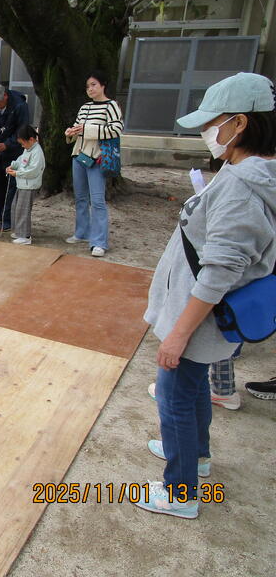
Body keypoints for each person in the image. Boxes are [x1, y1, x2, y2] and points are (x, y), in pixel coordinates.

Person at [134, 72, 276, 519]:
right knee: (193, 388)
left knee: (174, 396)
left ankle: (180, 493)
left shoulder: (243, 185)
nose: (207, 133)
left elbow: (219, 270)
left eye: (213, 123)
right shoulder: (247, 171)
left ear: (240, 123)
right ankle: (196, 456)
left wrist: (178, 334)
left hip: (200, 317)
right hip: (208, 317)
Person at [64, 70, 124, 258]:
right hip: (79, 156)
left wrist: (87, 129)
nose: (90, 89)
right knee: (80, 197)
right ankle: (82, 232)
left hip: (97, 158)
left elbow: (117, 128)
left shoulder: (111, 106)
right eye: (88, 86)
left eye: (93, 85)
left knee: (97, 201)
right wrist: (71, 133)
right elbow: (78, 128)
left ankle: (99, 242)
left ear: (103, 85)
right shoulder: (84, 107)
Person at [0, 83, 30, 230]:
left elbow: (22, 130)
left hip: (15, 151)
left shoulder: (20, 106)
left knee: (12, 185)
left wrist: (7, 144)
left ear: (5, 96)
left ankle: (8, 218)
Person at [6, 124, 45, 245]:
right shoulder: (28, 149)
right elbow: (21, 160)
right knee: (16, 207)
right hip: (22, 184)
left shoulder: (37, 152)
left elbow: (33, 170)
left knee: (23, 210)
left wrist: (17, 173)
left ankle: (25, 236)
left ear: (31, 139)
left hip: (29, 185)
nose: (22, 146)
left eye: (23, 143)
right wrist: (13, 166)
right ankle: (18, 231)